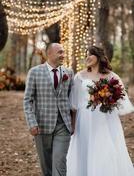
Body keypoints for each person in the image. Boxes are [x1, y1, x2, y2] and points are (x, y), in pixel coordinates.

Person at [67, 45, 134, 176]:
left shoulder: (111, 76)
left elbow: (120, 98)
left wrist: (109, 99)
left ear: (98, 56)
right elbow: (74, 104)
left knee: (104, 148)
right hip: (85, 119)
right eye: (86, 54)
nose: (87, 57)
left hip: (105, 119)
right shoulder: (79, 76)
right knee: (86, 148)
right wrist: (73, 125)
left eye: (90, 54)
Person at [23, 43, 74, 176]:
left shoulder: (69, 73)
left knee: (59, 162)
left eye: (63, 52)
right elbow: (28, 100)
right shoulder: (34, 72)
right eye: (60, 52)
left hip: (64, 125)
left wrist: (73, 122)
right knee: (46, 166)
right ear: (50, 54)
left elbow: (72, 99)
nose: (63, 55)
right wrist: (32, 123)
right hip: (41, 125)